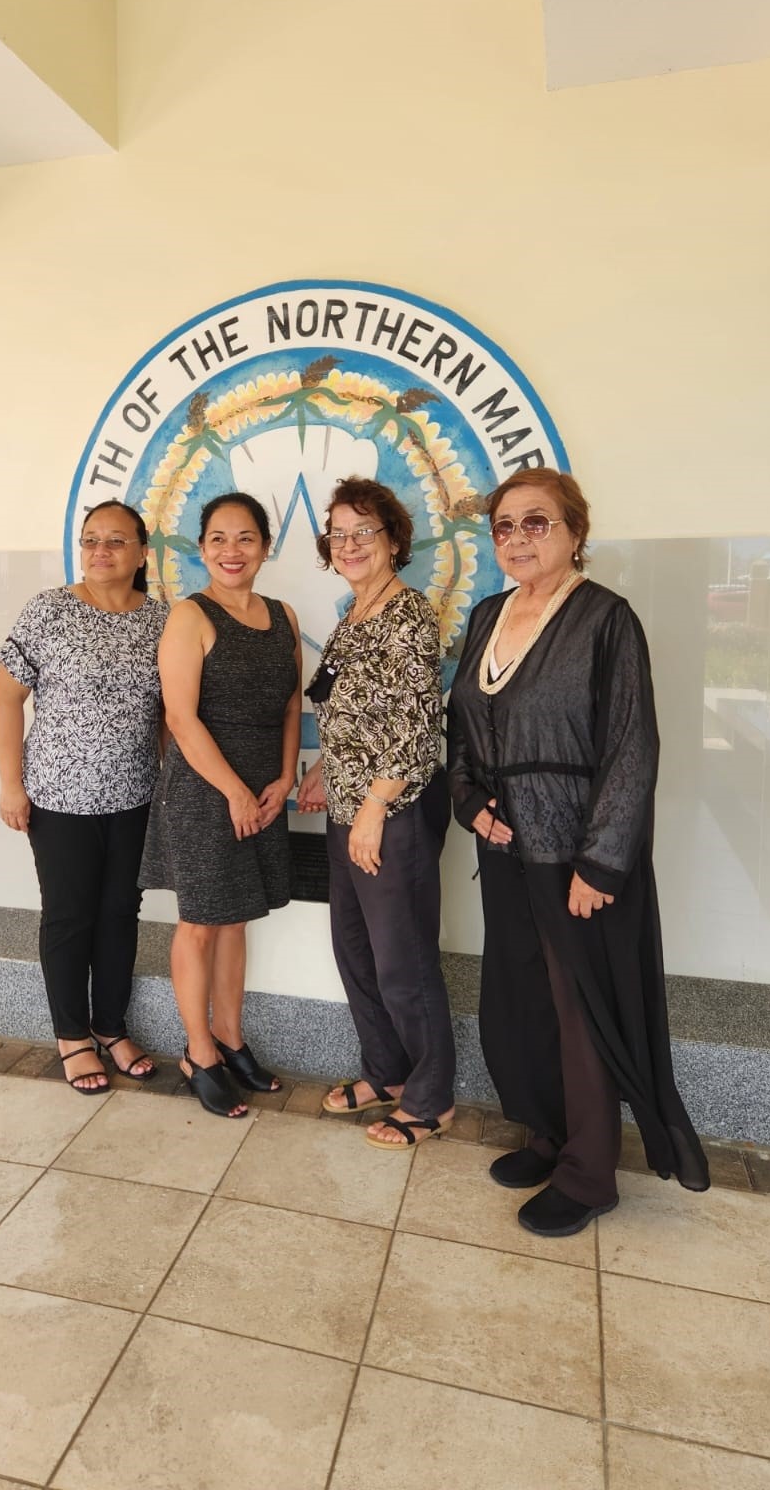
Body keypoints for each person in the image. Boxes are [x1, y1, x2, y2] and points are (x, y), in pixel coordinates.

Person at [447, 466, 709, 1237]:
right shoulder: (488, 614)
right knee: (521, 998)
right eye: (504, 525)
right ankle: (547, 1135)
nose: (519, 537)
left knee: (579, 1012)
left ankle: (591, 1174)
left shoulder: (605, 621)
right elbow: (461, 727)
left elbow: (633, 748)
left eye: (537, 522)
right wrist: (468, 802)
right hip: (503, 846)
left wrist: (602, 863)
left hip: (574, 855)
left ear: (574, 532)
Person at [297, 477, 455, 1150]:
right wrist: (321, 768)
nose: (351, 544)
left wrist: (372, 810)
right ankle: (386, 1072)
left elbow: (415, 729)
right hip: (347, 806)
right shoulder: (353, 614)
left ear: (394, 539)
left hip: (393, 812)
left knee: (403, 960)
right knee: (356, 951)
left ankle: (431, 1097)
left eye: (365, 531)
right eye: (339, 532)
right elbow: (353, 714)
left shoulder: (408, 614)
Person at [0, 500, 167, 1093]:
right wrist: (11, 784)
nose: (100, 551)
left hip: (136, 796)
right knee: (70, 917)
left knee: (121, 914)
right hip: (58, 798)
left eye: (116, 541)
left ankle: (111, 1027)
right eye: (91, 539)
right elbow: (6, 699)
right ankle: (72, 1036)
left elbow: (169, 714)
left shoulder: (161, 619)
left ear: (143, 552)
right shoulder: (49, 610)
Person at [140, 491, 301, 1118]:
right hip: (206, 792)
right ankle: (199, 1052)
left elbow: (291, 704)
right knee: (202, 921)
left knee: (237, 917)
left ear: (264, 546)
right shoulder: (189, 615)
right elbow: (179, 717)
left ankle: (232, 1039)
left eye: (245, 538)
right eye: (218, 539)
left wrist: (285, 777)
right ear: (202, 547)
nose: (231, 551)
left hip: (263, 788)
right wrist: (234, 790)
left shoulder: (283, 614)